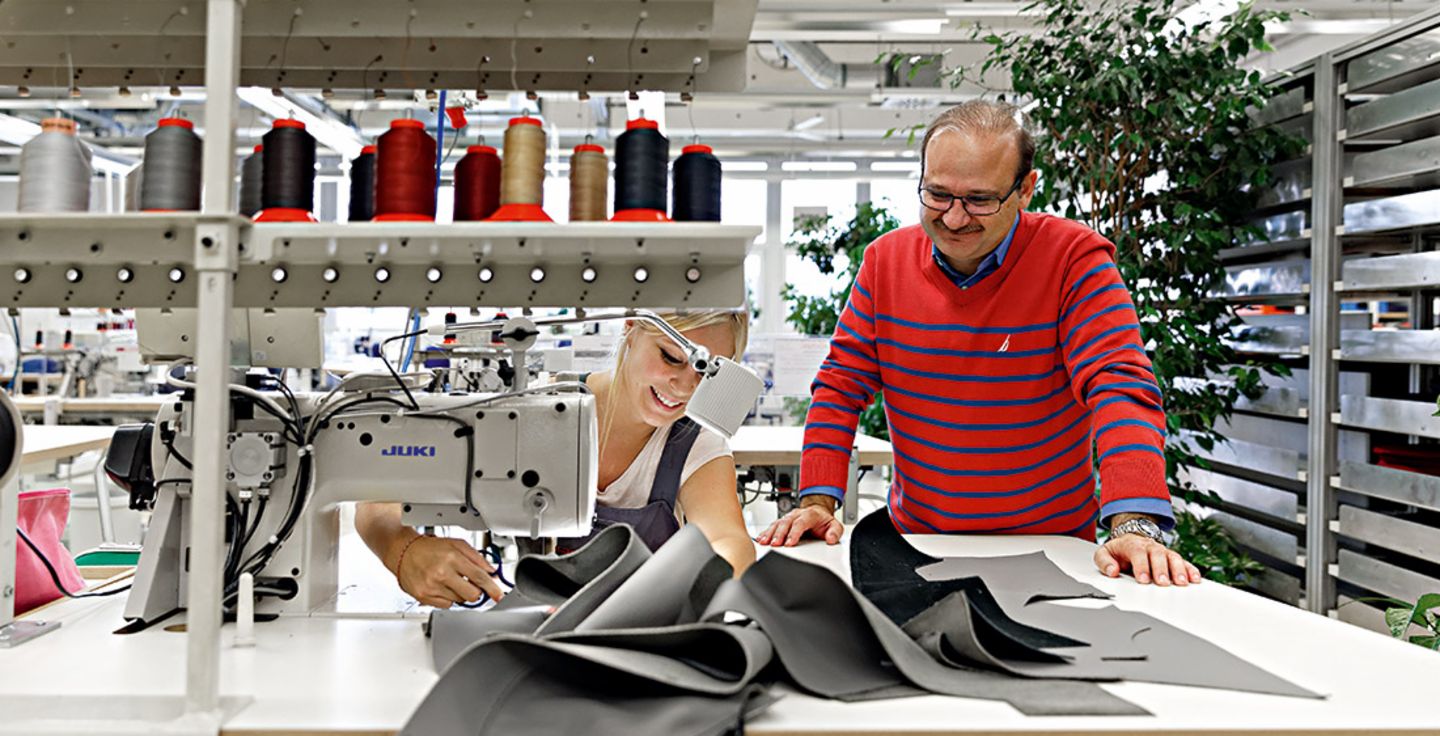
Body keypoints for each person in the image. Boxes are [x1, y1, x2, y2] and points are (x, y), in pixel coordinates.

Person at [757, 100, 1202, 588]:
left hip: (1051, 547)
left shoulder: (1073, 258)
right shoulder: (885, 262)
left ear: (1025, 190)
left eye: (979, 200)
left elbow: (1118, 384)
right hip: (920, 543)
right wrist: (818, 500)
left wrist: (1134, 522)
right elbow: (841, 385)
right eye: (938, 194)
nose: (952, 219)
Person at [357, 311, 757, 608]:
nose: (685, 386)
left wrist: (669, 599)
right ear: (630, 330)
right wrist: (403, 551)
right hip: (533, 626)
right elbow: (374, 503)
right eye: (671, 358)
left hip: (635, 637)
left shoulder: (694, 441)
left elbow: (729, 543)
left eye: (708, 373)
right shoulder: (537, 409)